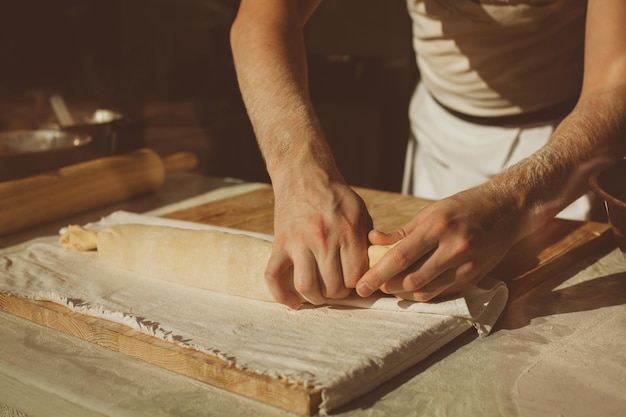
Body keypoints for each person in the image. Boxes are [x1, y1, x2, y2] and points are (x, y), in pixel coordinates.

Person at [229, 0, 626, 309]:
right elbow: (260, 19)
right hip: (439, 137)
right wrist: (299, 172)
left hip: (568, 151)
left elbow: (615, 81)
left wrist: (513, 203)